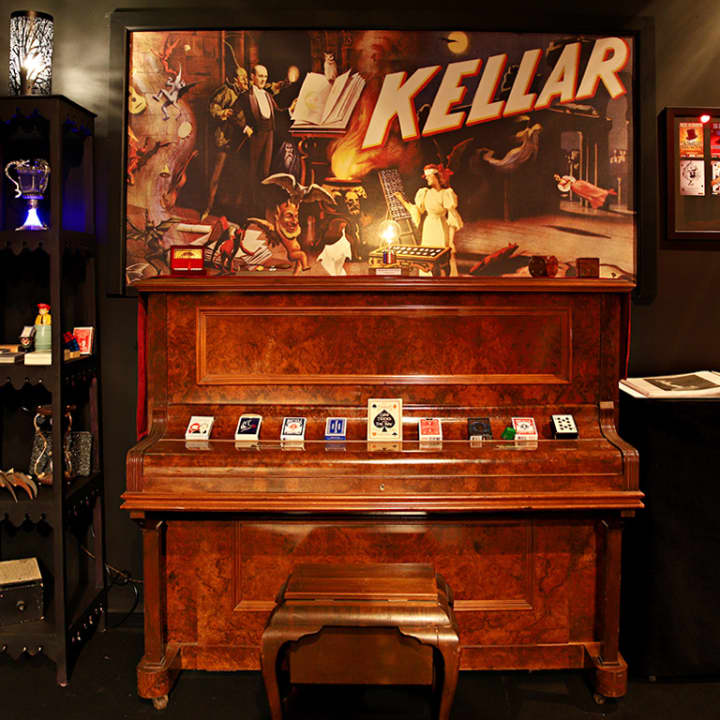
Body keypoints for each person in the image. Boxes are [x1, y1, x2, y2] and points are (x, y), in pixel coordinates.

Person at [201, 66, 249, 221]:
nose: (245, 81)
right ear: (235, 80)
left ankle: (230, 211)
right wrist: (223, 112)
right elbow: (212, 108)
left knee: (234, 176)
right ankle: (207, 208)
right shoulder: (226, 91)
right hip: (223, 139)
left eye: (246, 78)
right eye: (242, 78)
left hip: (238, 141)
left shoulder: (244, 93)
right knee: (215, 176)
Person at [395, 164, 463, 276]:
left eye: (429, 176)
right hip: (428, 228)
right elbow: (416, 211)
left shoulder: (446, 193)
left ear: (436, 176)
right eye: (426, 176)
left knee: (443, 257)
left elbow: (452, 220)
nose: (426, 178)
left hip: (441, 228)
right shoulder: (425, 193)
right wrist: (402, 200)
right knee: (427, 256)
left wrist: (451, 241)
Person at [236, 65, 280, 213]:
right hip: (255, 136)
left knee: (265, 171)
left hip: (269, 134)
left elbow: (278, 112)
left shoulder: (267, 95)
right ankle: (250, 208)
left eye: (265, 77)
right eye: (260, 76)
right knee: (252, 171)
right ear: (252, 77)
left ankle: (261, 207)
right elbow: (233, 113)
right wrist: (244, 127)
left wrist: (291, 109)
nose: (263, 79)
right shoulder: (245, 96)